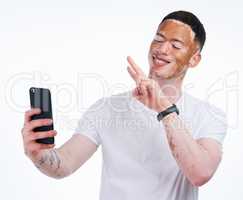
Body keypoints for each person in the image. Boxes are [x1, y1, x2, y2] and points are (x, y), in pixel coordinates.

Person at [21, 10, 227, 200]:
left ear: (194, 59)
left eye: (175, 45)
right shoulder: (106, 109)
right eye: (158, 39)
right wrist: (38, 154)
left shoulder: (209, 115)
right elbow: (63, 165)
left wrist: (165, 109)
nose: (162, 49)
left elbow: (200, 173)